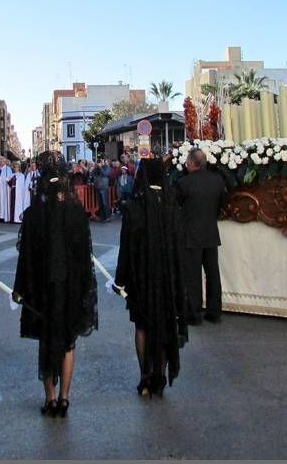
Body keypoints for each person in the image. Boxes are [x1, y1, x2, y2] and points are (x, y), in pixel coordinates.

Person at [12, 152, 98, 417]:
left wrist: (20, 289)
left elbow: (25, 255)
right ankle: (64, 398)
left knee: (46, 339)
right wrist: (85, 284)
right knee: (68, 341)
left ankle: (49, 398)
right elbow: (85, 254)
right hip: (70, 284)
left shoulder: (33, 214)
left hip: (41, 286)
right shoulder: (75, 212)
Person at [115, 158, 188, 397]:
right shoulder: (172, 206)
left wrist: (121, 280)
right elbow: (180, 245)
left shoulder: (133, 207)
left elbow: (125, 247)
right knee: (166, 323)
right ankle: (160, 374)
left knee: (142, 326)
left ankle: (144, 376)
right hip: (167, 275)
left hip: (141, 275)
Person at [175, 148, 228, 325]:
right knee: (213, 273)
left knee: (192, 276)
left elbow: (176, 205)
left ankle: (194, 313)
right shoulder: (217, 181)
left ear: (191, 163)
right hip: (211, 232)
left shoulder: (184, 183)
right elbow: (222, 203)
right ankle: (214, 311)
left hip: (190, 234)